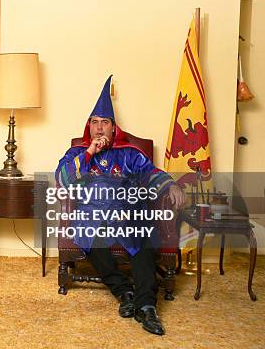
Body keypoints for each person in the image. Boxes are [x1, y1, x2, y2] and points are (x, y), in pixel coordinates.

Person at [55, 75, 185, 336]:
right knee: (87, 233)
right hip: (93, 216)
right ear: (89, 127)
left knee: (143, 231)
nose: (100, 128)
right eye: (95, 123)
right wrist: (90, 152)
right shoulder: (77, 154)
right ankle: (124, 290)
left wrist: (169, 185)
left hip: (128, 213)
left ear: (114, 128)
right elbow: (62, 179)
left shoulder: (129, 154)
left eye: (105, 123)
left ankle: (146, 306)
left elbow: (150, 173)